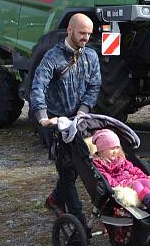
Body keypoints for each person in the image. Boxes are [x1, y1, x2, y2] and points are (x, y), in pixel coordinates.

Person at [31, 13, 101, 221]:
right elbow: (38, 86)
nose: (86, 38)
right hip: (56, 121)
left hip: (79, 120)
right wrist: (43, 117)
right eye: (82, 33)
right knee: (68, 170)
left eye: (89, 34)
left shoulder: (91, 56)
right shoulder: (52, 57)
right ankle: (77, 219)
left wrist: (83, 110)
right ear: (70, 30)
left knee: (83, 164)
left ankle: (54, 199)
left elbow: (94, 86)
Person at [91, 129, 150, 212]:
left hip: (132, 179)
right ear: (102, 150)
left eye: (117, 147)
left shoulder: (121, 159)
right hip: (122, 184)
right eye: (111, 149)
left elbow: (133, 169)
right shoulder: (100, 164)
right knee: (137, 184)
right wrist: (118, 185)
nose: (115, 151)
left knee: (148, 182)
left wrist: (143, 176)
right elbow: (106, 177)